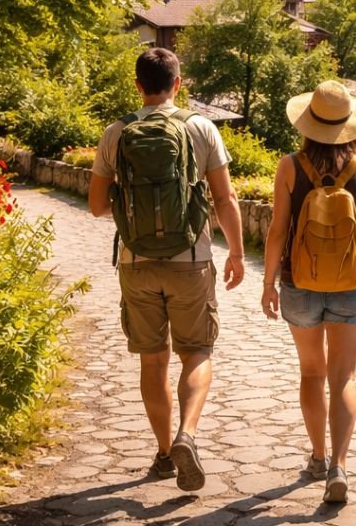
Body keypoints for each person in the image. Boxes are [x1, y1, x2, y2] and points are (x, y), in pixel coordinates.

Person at [88, 48, 246, 491]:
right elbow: (225, 199)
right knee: (197, 352)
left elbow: (97, 206)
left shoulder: (116, 132)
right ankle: (186, 435)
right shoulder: (201, 128)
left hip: (136, 263)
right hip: (190, 262)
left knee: (153, 361)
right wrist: (236, 253)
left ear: (138, 85)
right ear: (178, 83)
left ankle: (162, 454)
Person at [261, 80, 356, 504]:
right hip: (353, 284)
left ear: (309, 124)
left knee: (311, 374)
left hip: (299, 282)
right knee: (344, 376)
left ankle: (317, 457)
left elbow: (277, 230)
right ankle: (339, 465)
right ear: (351, 127)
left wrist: (268, 284)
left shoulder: (289, 166)